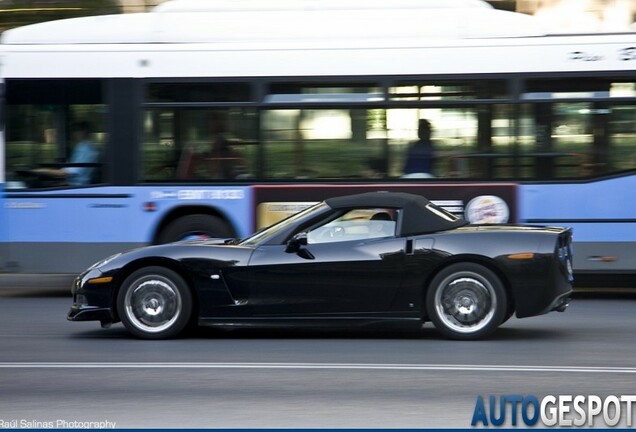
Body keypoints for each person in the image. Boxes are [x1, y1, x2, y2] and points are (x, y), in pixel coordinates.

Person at [63, 121, 99, 185]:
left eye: (76, 131)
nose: (73, 134)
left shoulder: (87, 150)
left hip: (79, 187)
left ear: (84, 132)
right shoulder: (80, 146)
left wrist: (44, 171)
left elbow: (74, 171)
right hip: (73, 184)